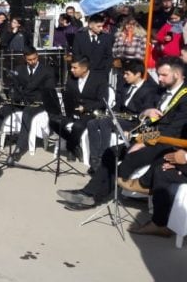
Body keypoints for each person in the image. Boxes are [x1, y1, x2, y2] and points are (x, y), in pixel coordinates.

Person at [57, 56, 187, 210]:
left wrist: (143, 141)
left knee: (127, 160)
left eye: (163, 75)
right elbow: (143, 113)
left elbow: (174, 132)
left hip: (166, 144)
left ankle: (92, 197)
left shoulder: (184, 98)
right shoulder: (160, 90)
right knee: (110, 152)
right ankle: (87, 192)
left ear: (177, 75)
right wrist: (146, 111)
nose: (159, 78)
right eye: (158, 74)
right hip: (147, 136)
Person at [85, 59, 158, 170]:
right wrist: (111, 112)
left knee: (105, 122)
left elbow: (144, 114)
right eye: (124, 73)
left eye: (127, 74)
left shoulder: (149, 90)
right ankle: (94, 159)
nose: (124, 76)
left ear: (138, 74)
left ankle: (103, 158)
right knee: (92, 123)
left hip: (134, 123)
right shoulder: (125, 86)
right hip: (121, 118)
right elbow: (118, 105)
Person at [0, 46, 56, 157]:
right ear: (25, 59)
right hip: (20, 101)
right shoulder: (19, 69)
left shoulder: (47, 71)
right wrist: (14, 96)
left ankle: (19, 149)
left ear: (37, 56)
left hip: (37, 103)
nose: (32, 61)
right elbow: (15, 87)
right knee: (0, 112)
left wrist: (30, 95)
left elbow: (48, 91)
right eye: (29, 60)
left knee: (27, 114)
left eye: (34, 58)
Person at [48, 56, 108, 160]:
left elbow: (102, 101)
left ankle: (70, 147)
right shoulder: (71, 79)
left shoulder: (99, 79)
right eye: (71, 67)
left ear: (84, 69)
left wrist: (85, 108)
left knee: (77, 127)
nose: (71, 70)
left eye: (74, 68)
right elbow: (68, 96)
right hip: (73, 110)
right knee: (53, 121)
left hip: (90, 112)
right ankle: (75, 146)